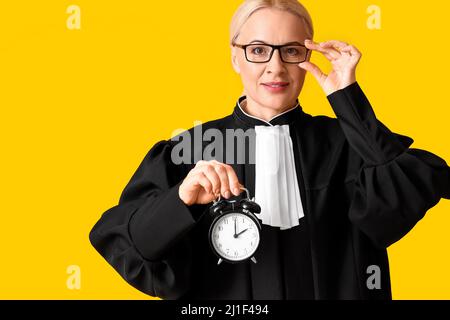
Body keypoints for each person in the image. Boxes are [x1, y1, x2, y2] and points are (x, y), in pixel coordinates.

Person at [89, 0, 450, 300]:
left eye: (292, 51)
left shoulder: (348, 144)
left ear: (309, 58)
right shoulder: (190, 148)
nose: (275, 68)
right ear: (235, 58)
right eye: (258, 50)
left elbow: (418, 181)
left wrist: (348, 99)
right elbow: (129, 248)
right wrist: (179, 202)